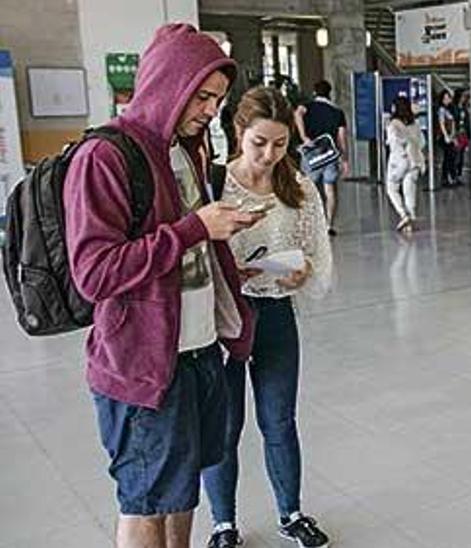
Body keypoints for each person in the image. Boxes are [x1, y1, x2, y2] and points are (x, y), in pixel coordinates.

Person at [63, 23, 261, 548]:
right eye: (201, 96)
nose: (209, 110)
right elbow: (95, 271)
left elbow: (187, 249)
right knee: (146, 501)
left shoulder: (188, 151)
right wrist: (197, 228)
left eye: (217, 100)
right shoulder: (105, 157)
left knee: (183, 489)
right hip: (143, 367)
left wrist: (227, 267)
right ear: (168, 83)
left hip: (197, 354)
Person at [201, 86, 334, 548]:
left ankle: (291, 513)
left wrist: (302, 273)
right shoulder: (213, 184)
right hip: (224, 318)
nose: (269, 154)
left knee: (279, 420)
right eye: (260, 142)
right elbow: (194, 249)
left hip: (275, 313)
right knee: (224, 425)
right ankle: (223, 524)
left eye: (280, 144)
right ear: (239, 132)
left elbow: (316, 251)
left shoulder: (296, 186)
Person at [293, 80, 349, 236]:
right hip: (330, 154)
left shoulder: (308, 107)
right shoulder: (337, 112)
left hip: (311, 154)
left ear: (314, 92)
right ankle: (328, 225)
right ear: (329, 93)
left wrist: (304, 137)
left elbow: (297, 113)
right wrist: (344, 159)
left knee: (308, 189)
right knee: (330, 189)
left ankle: (309, 225)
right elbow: (342, 137)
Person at [385, 96, 425, 232]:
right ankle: (411, 218)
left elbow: (394, 143)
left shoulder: (393, 124)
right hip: (415, 160)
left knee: (391, 188)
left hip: (400, 160)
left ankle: (403, 215)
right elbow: (422, 143)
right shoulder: (415, 124)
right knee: (409, 190)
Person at [437, 89, 460, 187]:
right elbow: (442, 123)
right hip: (445, 136)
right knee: (448, 157)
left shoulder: (450, 109)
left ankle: (451, 177)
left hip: (450, 135)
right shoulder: (441, 110)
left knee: (451, 157)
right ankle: (446, 178)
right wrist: (446, 136)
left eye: (448, 97)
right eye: (445, 98)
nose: (447, 100)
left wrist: (453, 136)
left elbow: (453, 123)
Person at [451, 89, 471, 184]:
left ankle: (458, 175)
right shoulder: (454, 108)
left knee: (461, 155)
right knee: (456, 155)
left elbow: (467, 122)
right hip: (457, 133)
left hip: (464, 133)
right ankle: (453, 175)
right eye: (463, 96)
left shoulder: (464, 108)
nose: (464, 98)